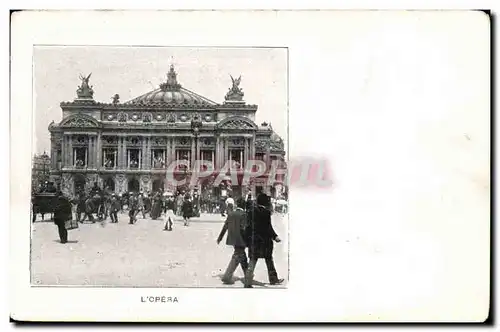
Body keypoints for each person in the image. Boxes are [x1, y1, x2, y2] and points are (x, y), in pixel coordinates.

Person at [244, 193, 284, 288]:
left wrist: (246, 240)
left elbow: (248, 227)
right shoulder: (266, 212)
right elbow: (268, 228)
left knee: (252, 260)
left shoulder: (251, 212)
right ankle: (273, 279)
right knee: (269, 260)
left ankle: (247, 281)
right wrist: (275, 237)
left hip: (254, 241)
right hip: (265, 241)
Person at [217, 198, 249, 285]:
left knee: (242, 256)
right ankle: (227, 277)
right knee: (237, 256)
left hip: (233, 239)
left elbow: (225, 226)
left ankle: (248, 274)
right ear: (244, 206)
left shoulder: (231, 214)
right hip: (241, 239)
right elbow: (243, 228)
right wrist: (248, 239)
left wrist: (220, 237)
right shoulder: (244, 214)